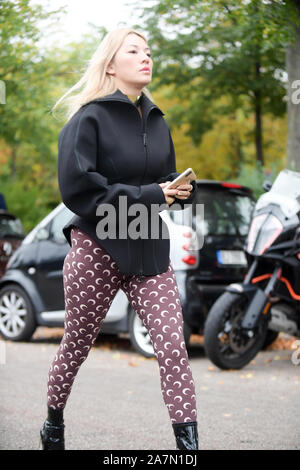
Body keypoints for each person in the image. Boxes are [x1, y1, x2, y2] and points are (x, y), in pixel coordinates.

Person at [40, 27, 198, 451]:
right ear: (111, 64)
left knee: (172, 348)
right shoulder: (87, 119)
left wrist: (180, 190)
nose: (146, 57)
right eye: (134, 51)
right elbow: (81, 190)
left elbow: (164, 181)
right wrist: (152, 194)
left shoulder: (158, 120)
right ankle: (53, 421)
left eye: (148, 51)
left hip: (149, 248)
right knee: (76, 344)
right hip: (99, 247)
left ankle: (188, 449)